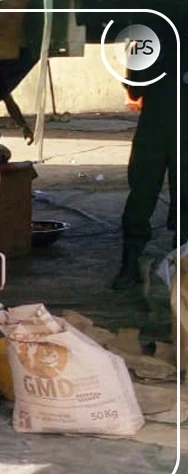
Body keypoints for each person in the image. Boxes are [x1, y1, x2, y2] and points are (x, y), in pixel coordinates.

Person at [111, 10, 185, 290]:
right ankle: (182, 273)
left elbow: (135, 88)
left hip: (155, 125)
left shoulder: (148, 31)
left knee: (141, 196)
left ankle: (129, 268)